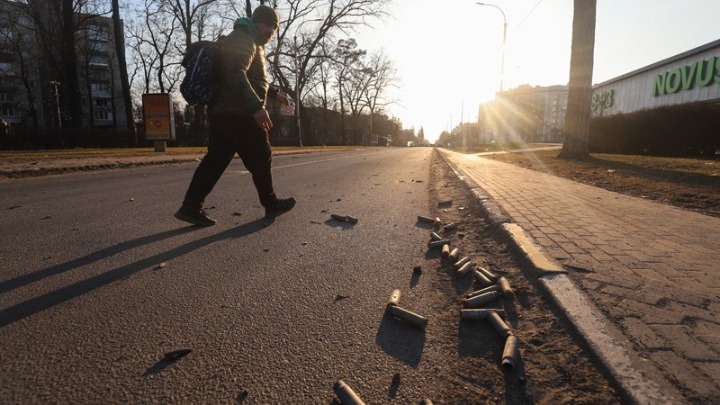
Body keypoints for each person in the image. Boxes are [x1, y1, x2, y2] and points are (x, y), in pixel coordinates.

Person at [175, 5, 296, 226]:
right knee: (261, 155)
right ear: (256, 22)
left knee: (216, 161)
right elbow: (235, 74)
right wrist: (256, 108)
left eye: (275, 27)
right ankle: (271, 204)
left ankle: (190, 207)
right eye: (268, 24)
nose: (271, 30)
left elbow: (252, 79)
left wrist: (274, 93)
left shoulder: (249, 41)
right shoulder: (244, 38)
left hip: (224, 113)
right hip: (239, 113)